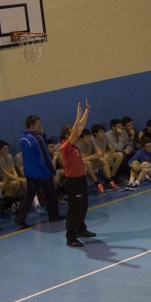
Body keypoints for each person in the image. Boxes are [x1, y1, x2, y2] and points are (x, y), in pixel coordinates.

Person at [57, 102, 95, 247]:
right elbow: (75, 132)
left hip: (81, 179)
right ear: (67, 135)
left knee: (83, 205)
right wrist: (77, 115)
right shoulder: (65, 147)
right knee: (74, 209)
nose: (76, 131)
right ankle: (71, 238)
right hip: (73, 181)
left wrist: (86, 111)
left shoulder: (73, 145)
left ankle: (80, 229)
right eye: (72, 131)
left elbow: (79, 128)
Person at [14, 115, 62, 229]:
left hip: (30, 172)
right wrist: (52, 171)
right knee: (51, 194)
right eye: (39, 124)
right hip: (41, 173)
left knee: (29, 196)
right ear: (32, 125)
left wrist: (41, 133)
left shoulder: (23, 137)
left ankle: (20, 218)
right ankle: (53, 216)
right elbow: (44, 157)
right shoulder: (37, 139)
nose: (40, 125)